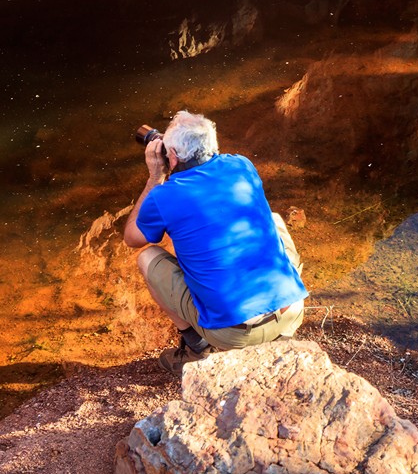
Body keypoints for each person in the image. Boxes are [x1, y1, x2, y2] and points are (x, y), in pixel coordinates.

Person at [123, 110, 308, 371]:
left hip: (234, 333)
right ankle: (278, 304)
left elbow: (131, 238)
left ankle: (196, 349)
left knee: (147, 257)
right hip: (292, 313)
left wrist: (155, 176)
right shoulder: (242, 165)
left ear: (171, 156)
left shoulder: (165, 196)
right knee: (275, 219)